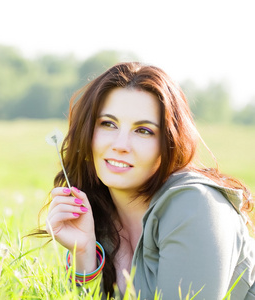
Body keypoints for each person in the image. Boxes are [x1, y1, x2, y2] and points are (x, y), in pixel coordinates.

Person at [36, 62, 255, 299]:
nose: (120, 145)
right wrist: (85, 253)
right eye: (108, 124)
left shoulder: (196, 206)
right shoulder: (98, 215)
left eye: (143, 131)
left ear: (169, 143)